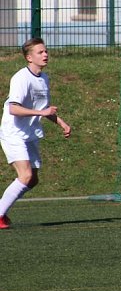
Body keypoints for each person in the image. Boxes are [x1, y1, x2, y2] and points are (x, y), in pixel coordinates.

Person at [0, 38, 72, 229]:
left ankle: (2, 211)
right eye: (40, 52)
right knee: (25, 175)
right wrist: (42, 113)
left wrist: (62, 123)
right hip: (13, 132)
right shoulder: (21, 78)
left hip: (29, 133)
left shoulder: (44, 78)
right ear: (29, 57)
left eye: (46, 51)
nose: (45, 54)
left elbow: (44, 108)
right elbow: (14, 109)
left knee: (32, 180)